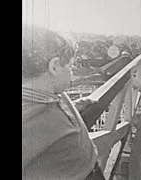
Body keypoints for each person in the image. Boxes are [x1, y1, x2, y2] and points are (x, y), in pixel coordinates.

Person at [22, 25, 105, 180]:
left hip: (89, 168)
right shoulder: (27, 118)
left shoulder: (53, 93)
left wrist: (78, 105)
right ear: (54, 66)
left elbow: (56, 113)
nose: (72, 73)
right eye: (70, 66)